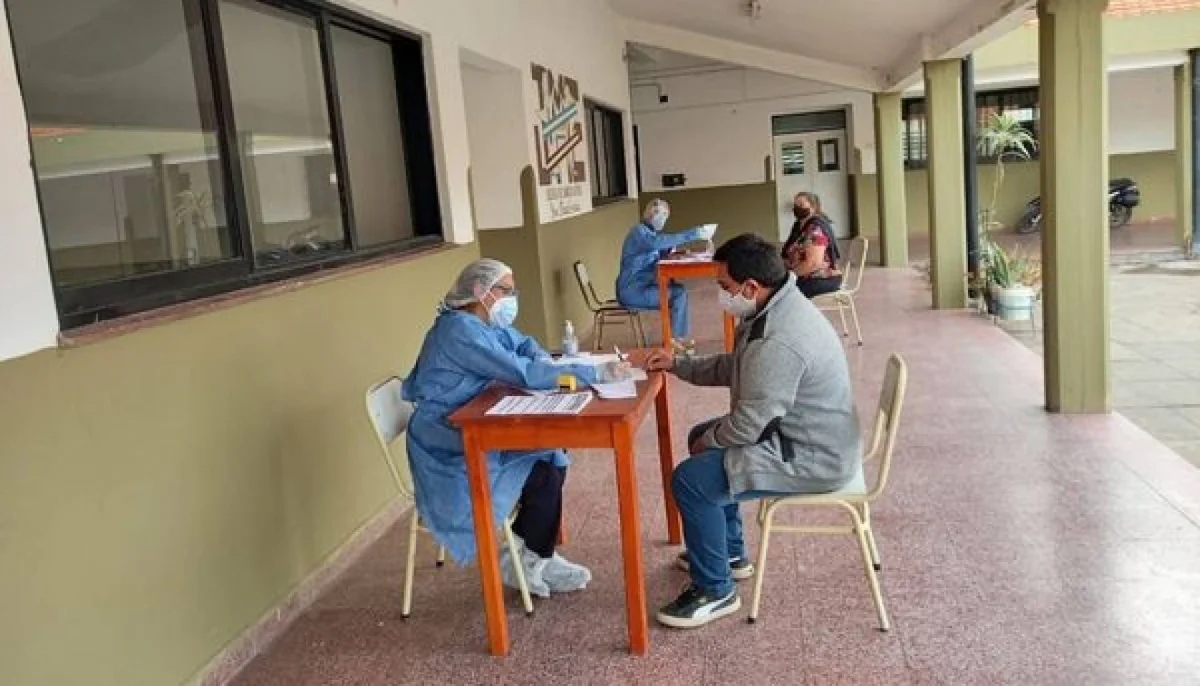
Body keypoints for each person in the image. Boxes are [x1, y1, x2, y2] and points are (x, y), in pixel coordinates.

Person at [643, 234, 862, 629]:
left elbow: (747, 425)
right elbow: (738, 366)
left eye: (724, 286)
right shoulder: (776, 307)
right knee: (701, 440)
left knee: (691, 480)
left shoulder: (777, 338)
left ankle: (716, 590)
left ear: (750, 287)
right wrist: (678, 364)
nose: (721, 295)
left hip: (812, 456)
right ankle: (728, 553)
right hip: (803, 435)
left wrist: (709, 444)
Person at [402, 258, 628, 598]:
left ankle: (533, 551)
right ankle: (527, 556)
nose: (512, 299)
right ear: (480, 290)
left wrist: (543, 358)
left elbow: (521, 345)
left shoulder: (483, 323)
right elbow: (520, 372)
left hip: (475, 415)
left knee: (551, 453)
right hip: (445, 435)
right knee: (544, 464)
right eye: (505, 290)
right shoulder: (459, 330)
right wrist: (592, 373)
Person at [616, 199, 717, 347]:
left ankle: (675, 338)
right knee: (678, 294)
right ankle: (674, 341)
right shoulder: (638, 232)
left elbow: (657, 250)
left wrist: (682, 252)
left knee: (677, 289)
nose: (661, 218)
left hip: (643, 287)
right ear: (649, 213)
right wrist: (693, 234)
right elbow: (655, 243)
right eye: (659, 213)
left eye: (664, 215)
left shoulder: (649, 233)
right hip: (633, 292)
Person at [782, 191, 843, 299]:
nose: (797, 208)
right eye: (795, 205)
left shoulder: (815, 229)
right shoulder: (798, 227)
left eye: (801, 204)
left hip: (820, 278)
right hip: (803, 275)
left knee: (780, 292)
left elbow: (813, 264)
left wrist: (789, 276)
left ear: (813, 207)